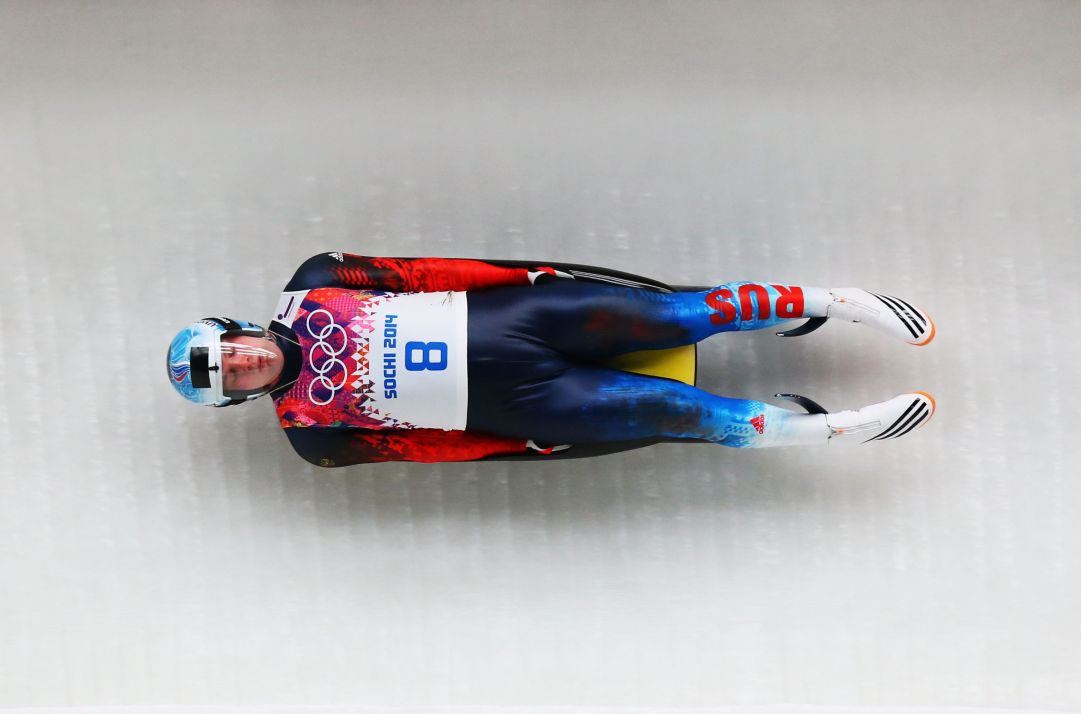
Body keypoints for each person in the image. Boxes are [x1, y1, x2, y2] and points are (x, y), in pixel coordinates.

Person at [166, 253, 936, 466]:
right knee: (687, 418)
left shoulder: (314, 283)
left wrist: (527, 278)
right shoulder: (310, 432)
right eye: (228, 377)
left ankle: (835, 301)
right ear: (238, 396)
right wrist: (520, 445)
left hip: (513, 318)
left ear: (232, 330)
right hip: (524, 403)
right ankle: (825, 433)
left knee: (677, 312)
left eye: (226, 350)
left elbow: (424, 272)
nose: (239, 363)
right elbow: (429, 451)